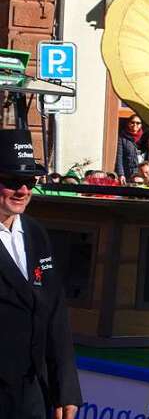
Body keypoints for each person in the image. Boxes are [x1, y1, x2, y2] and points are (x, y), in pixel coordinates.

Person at [0, 129, 82, 418]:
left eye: (30, 182)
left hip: (32, 391)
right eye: (12, 182)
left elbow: (55, 312)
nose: (23, 191)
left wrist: (65, 387)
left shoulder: (35, 233)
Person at [114, 114, 144, 183]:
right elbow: (119, 157)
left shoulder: (144, 137)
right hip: (128, 172)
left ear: (141, 125)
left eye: (138, 123)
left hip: (142, 173)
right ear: (128, 123)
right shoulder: (122, 138)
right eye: (132, 122)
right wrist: (121, 174)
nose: (135, 124)